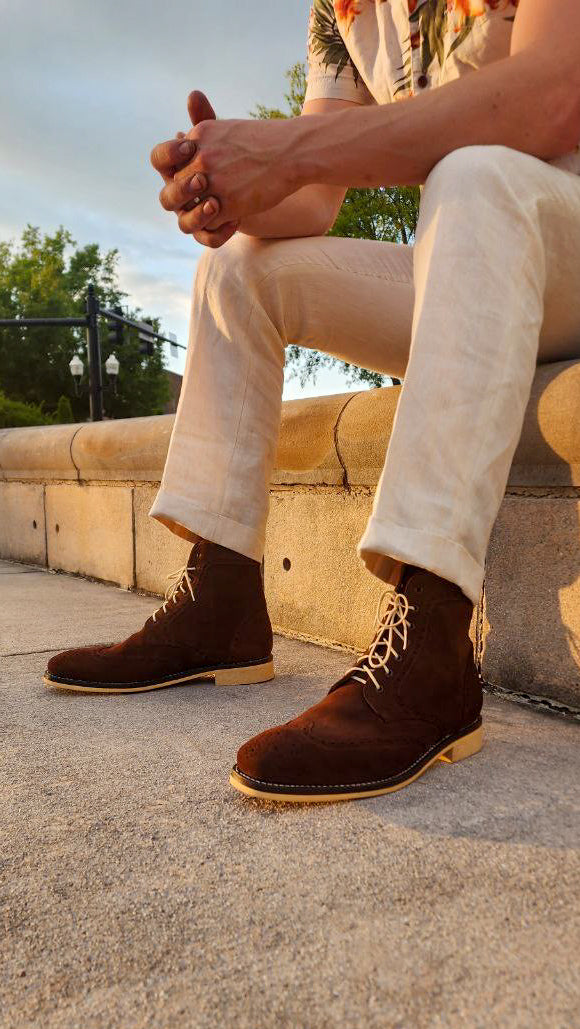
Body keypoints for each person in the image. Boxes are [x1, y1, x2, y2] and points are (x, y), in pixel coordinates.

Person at [44, 0, 580, 803]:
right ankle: (219, 604)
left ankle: (431, 634)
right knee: (240, 270)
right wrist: (229, 190)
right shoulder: (340, 9)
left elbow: (549, 96)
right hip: (479, 263)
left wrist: (288, 149)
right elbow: (314, 197)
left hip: (552, 224)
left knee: (475, 171)